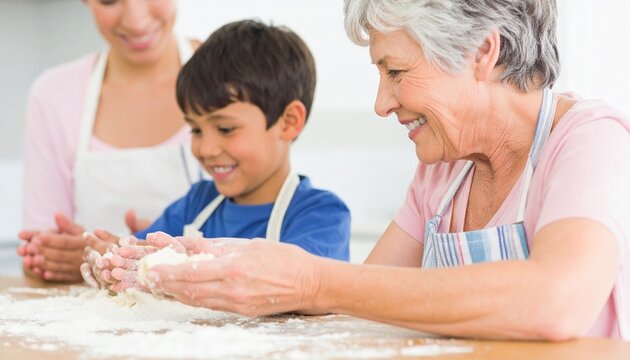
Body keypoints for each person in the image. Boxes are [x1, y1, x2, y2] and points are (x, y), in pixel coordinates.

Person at [137, 0, 630, 341]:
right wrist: (225, 266)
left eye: (395, 72)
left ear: (482, 52)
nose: (381, 102)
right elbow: (356, 300)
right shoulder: (443, 170)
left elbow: (557, 301)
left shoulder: (588, 137)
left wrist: (311, 279)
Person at [80, 19, 351, 291]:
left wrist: (183, 265)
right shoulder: (194, 207)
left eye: (225, 128)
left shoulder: (320, 216)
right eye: (196, 130)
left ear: (289, 121)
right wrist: (116, 259)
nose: (205, 149)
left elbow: (295, 286)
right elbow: (139, 257)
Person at [17, 0, 202, 283]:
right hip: (97, 317)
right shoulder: (53, 95)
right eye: (110, 1)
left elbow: (268, 236)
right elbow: (37, 256)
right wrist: (58, 255)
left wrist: (123, 255)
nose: (136, 21)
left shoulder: (236, 77)